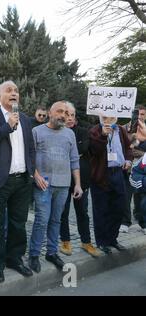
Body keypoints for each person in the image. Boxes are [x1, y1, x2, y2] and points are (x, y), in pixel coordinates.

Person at [0, 81, 35, 283]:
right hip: (0, 180)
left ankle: (15, 258)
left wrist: (31, 171)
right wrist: (8, 126)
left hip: (22, 179)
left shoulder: (26, 120)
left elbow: (30, 147)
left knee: (18, 223)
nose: (14, 93)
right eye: (9, 90)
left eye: (16, 91)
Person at [28, 101, 83, 273]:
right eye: (60, 111)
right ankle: (34, 254)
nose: (63, 115)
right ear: (50, 113)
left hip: (64, 185)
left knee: (56, 220)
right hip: (43, 184)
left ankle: (51, 252)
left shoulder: (70, 134)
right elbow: (29, 157)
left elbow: (74, 160)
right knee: (41, 220)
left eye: (66, 113)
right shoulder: (36, 131)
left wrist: (78, 184)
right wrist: (36, 176)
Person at [59, 102, 100, 257]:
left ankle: (86, 242)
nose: (69, 118)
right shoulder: (57, 131)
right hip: (62, 179)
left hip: (81, 180)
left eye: (72, 115)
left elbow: (82, 149)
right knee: (63, 212)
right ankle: (65, 241)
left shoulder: (83, 131)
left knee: (82, 212)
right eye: (67, 114)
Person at [89, 116, 133, 254]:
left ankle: (113, 239)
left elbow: (129, 147)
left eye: (112, 116)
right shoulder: (95, 130)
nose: (109, 119)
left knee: (119, 207)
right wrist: (103, 135)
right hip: (101, 174)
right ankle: (102, 241)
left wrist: (128, 160)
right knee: (101, 209)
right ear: (100, 116)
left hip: (118, 173)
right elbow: (94, 150)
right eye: (105, 116)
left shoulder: (120, 130)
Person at [120, 105, 146, 232]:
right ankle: (125, 222)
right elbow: (122, 147)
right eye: (137, 114)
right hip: (128, 168)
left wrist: (140, 153)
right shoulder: (123, 128)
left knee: (142, 198)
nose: (139, 117)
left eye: (142, 114)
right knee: (126, 196)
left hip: (142, 171)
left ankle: (143, 223)